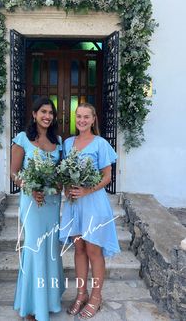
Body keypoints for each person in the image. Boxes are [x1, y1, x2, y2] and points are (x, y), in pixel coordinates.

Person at [59, 102, 120, 320]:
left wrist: (87, 190)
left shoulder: (101, 144)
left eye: (87, 117)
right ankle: (81, 294)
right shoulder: (67, 143)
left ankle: (96, 297)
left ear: (94, 119)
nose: (82, 120)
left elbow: (107, 176)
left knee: (94, 251)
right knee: (79, 250)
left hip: (94, 203)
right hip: (75, 205)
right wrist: (68, 189)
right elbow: (64, 172)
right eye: (79, 116)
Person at [11, 97, 64, 321]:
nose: (47, 116)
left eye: (50, 113)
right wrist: (31, 188)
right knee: (33, 248)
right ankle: (31, 307)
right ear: (34, 114)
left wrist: (59, 185)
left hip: (51, 203)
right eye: (43, 111)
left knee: (50, 249)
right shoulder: (22, 139)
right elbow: (14, 174)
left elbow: (60, 176)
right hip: (32, 202)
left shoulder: (59, 141)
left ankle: (49, 302)